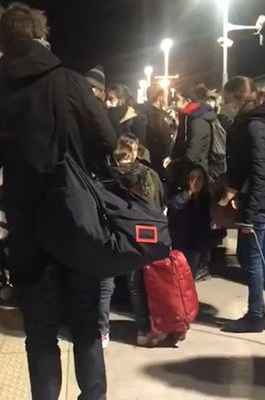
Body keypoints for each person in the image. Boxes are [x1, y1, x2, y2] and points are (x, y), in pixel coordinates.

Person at [0, 4, 117, 399]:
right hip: (76, 219)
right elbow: (107, 140)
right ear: (40, 36)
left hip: (27, 225)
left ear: (2, 43)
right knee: (86, 322)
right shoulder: (70, 82)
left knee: (39, 331)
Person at [221, 83, 265, 333]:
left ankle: (256, 315)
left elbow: (261, 170)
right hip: (261, 199)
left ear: (238, 97)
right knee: (247, 255)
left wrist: (250, 213)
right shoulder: (259, 121)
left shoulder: (255, 125)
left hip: (259, 201)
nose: (225, 105)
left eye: (227, 99)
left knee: (252, 257)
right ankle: (259, 309)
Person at [108, 133, 166, 346]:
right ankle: (157, 327)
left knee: (128, 284)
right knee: (150, 281)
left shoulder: (109, 176)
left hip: (122, 235)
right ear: (134, 151)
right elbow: (158, 203)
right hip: (148, 234)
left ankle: (138, 330)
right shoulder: (148, 174)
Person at [167, 164, 214, 282]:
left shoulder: (205, 197)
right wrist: (189, 193)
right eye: (193, 178)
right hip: (181, 240)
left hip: (197, 243)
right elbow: (173, 206)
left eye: (200, 179)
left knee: (189, 274)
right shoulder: (179, 193)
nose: (196, 182)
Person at [172, 84, 219, 178]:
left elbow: (194, 152)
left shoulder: (198, 119)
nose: (175, 102)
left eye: (178, 99)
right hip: (191, 170)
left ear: (188, 101)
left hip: (196, 174)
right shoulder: (189, 117)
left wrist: (175, 164)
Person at [143, 84, 175, 177]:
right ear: (160, 97)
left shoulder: (141, 113)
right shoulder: (160, 116)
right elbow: (165, 139)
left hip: (145, 159)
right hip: (159, 162)